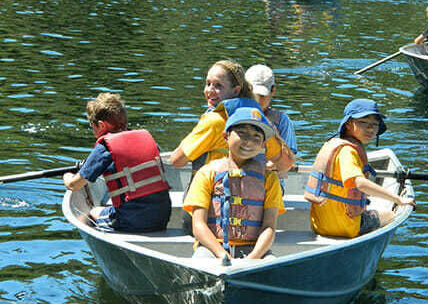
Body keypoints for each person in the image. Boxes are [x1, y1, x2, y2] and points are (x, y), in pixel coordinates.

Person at [171, 60, 294, 235]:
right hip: (251, 221)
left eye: (218, 86)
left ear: (236, 90)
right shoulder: (259, 121)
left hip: (210, 217)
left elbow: (176, 161)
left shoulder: (214, 122)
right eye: (207, 84)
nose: (209, 91)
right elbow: (285, 164)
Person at [304, 99, 416, 238]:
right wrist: (398, 199)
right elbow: (360, 183)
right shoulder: (347, 152)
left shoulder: (334, 144)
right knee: (390, 215)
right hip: (344, 226)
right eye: (363, 123)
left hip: (320, 224)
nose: (370, 129)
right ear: (349, 123)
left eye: (375, 125)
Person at [183, 107, 285, 259]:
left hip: (253, 250)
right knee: (201, 261)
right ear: (226, 136)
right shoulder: (207, 173)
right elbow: (198, 225)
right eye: (242, 133)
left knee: (272, 265)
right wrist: (221, 254)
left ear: (263, 144)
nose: (249, 141)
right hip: (212, 248)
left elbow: (269, 226)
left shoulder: (269, 179)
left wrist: (253, 258)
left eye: (256, 136)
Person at [64, 93, 172, 232]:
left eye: (93, 126)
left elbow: (75, 185)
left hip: (131, 221)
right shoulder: (145, 139)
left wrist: (68, 177)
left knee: (93, 212)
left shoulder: (105, 148)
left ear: (101, 125)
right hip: (162, 216)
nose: (93, 132)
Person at [245, 64, 298, 170]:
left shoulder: (281, 121)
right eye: (253, 95)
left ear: (273, 90)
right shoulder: (234, 116)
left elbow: (291, 162)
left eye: (262, 96)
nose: (257, 100)